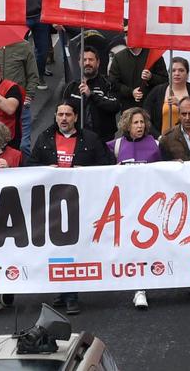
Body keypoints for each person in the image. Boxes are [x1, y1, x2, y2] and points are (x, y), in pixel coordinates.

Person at [29, 102, 113, 315]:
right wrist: (45, 170)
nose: (64, 118)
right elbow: (30, 165)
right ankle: (63, 290)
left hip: (81, 203)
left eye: (68, 114)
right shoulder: (44, 138)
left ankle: (71, 295)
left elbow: (106, 165)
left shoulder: (91, 139)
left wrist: (88, 172)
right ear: (55, 117)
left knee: (73, 249)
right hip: (52, 204)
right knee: (56, 249)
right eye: (60, 114)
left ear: (76, 117)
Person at [146, 57, 190, 134]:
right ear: (169, 73)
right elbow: (146, 116)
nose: (177, 73)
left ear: (187, 73)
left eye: (181, 70)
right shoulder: (157, 91)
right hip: (162, 139)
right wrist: (158, 137)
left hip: (188, 139)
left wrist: (180, 104)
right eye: (173, 71)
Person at [73, 43, 122, 141]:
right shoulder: (71, 86)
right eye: (84, 60)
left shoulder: (108, 83)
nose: (87, 63)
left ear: (98, 62)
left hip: (104, 139)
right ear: (79, 63)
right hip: (78, 139)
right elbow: (62, 112)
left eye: (91, 60)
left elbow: (115, 105)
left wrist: (91, 95)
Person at [106, 42, 166, 118]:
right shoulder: (119, 57)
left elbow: (164, 80)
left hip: (151, 111)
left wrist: (151, 77)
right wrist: (131, 92)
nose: (128, 37)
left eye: (130, 33)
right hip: (127, 111)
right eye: (126, 34)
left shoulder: (153, 55)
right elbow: (113, 84)